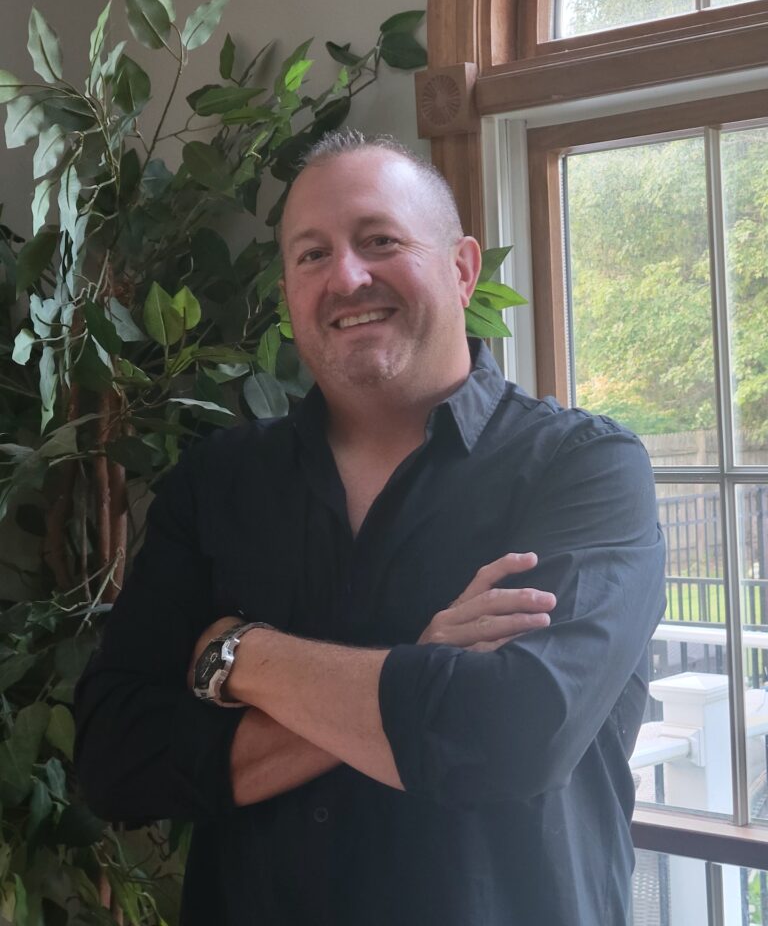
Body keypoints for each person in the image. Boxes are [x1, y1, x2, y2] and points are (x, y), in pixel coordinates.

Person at [74, 131, 666, 926]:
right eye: (312, 255)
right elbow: (114, 758)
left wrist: (238, 655)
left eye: (380, 240)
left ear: (462, 268)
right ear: (289, 292)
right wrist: (422, 664)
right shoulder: (215, 484)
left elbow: (512, 739)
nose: (347, 277)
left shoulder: (585, 469)